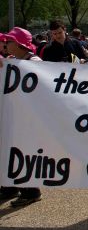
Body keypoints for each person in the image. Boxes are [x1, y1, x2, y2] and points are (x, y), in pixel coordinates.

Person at [0, 27, 43, 207]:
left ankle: (30, 190)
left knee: (23, 152)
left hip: (27, 119)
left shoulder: (34, 62)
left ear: (18, 45)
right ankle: (11, 185)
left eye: (9, 41)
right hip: (15, 116)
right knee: (10, 151)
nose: (5, 44)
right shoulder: (13, 61)